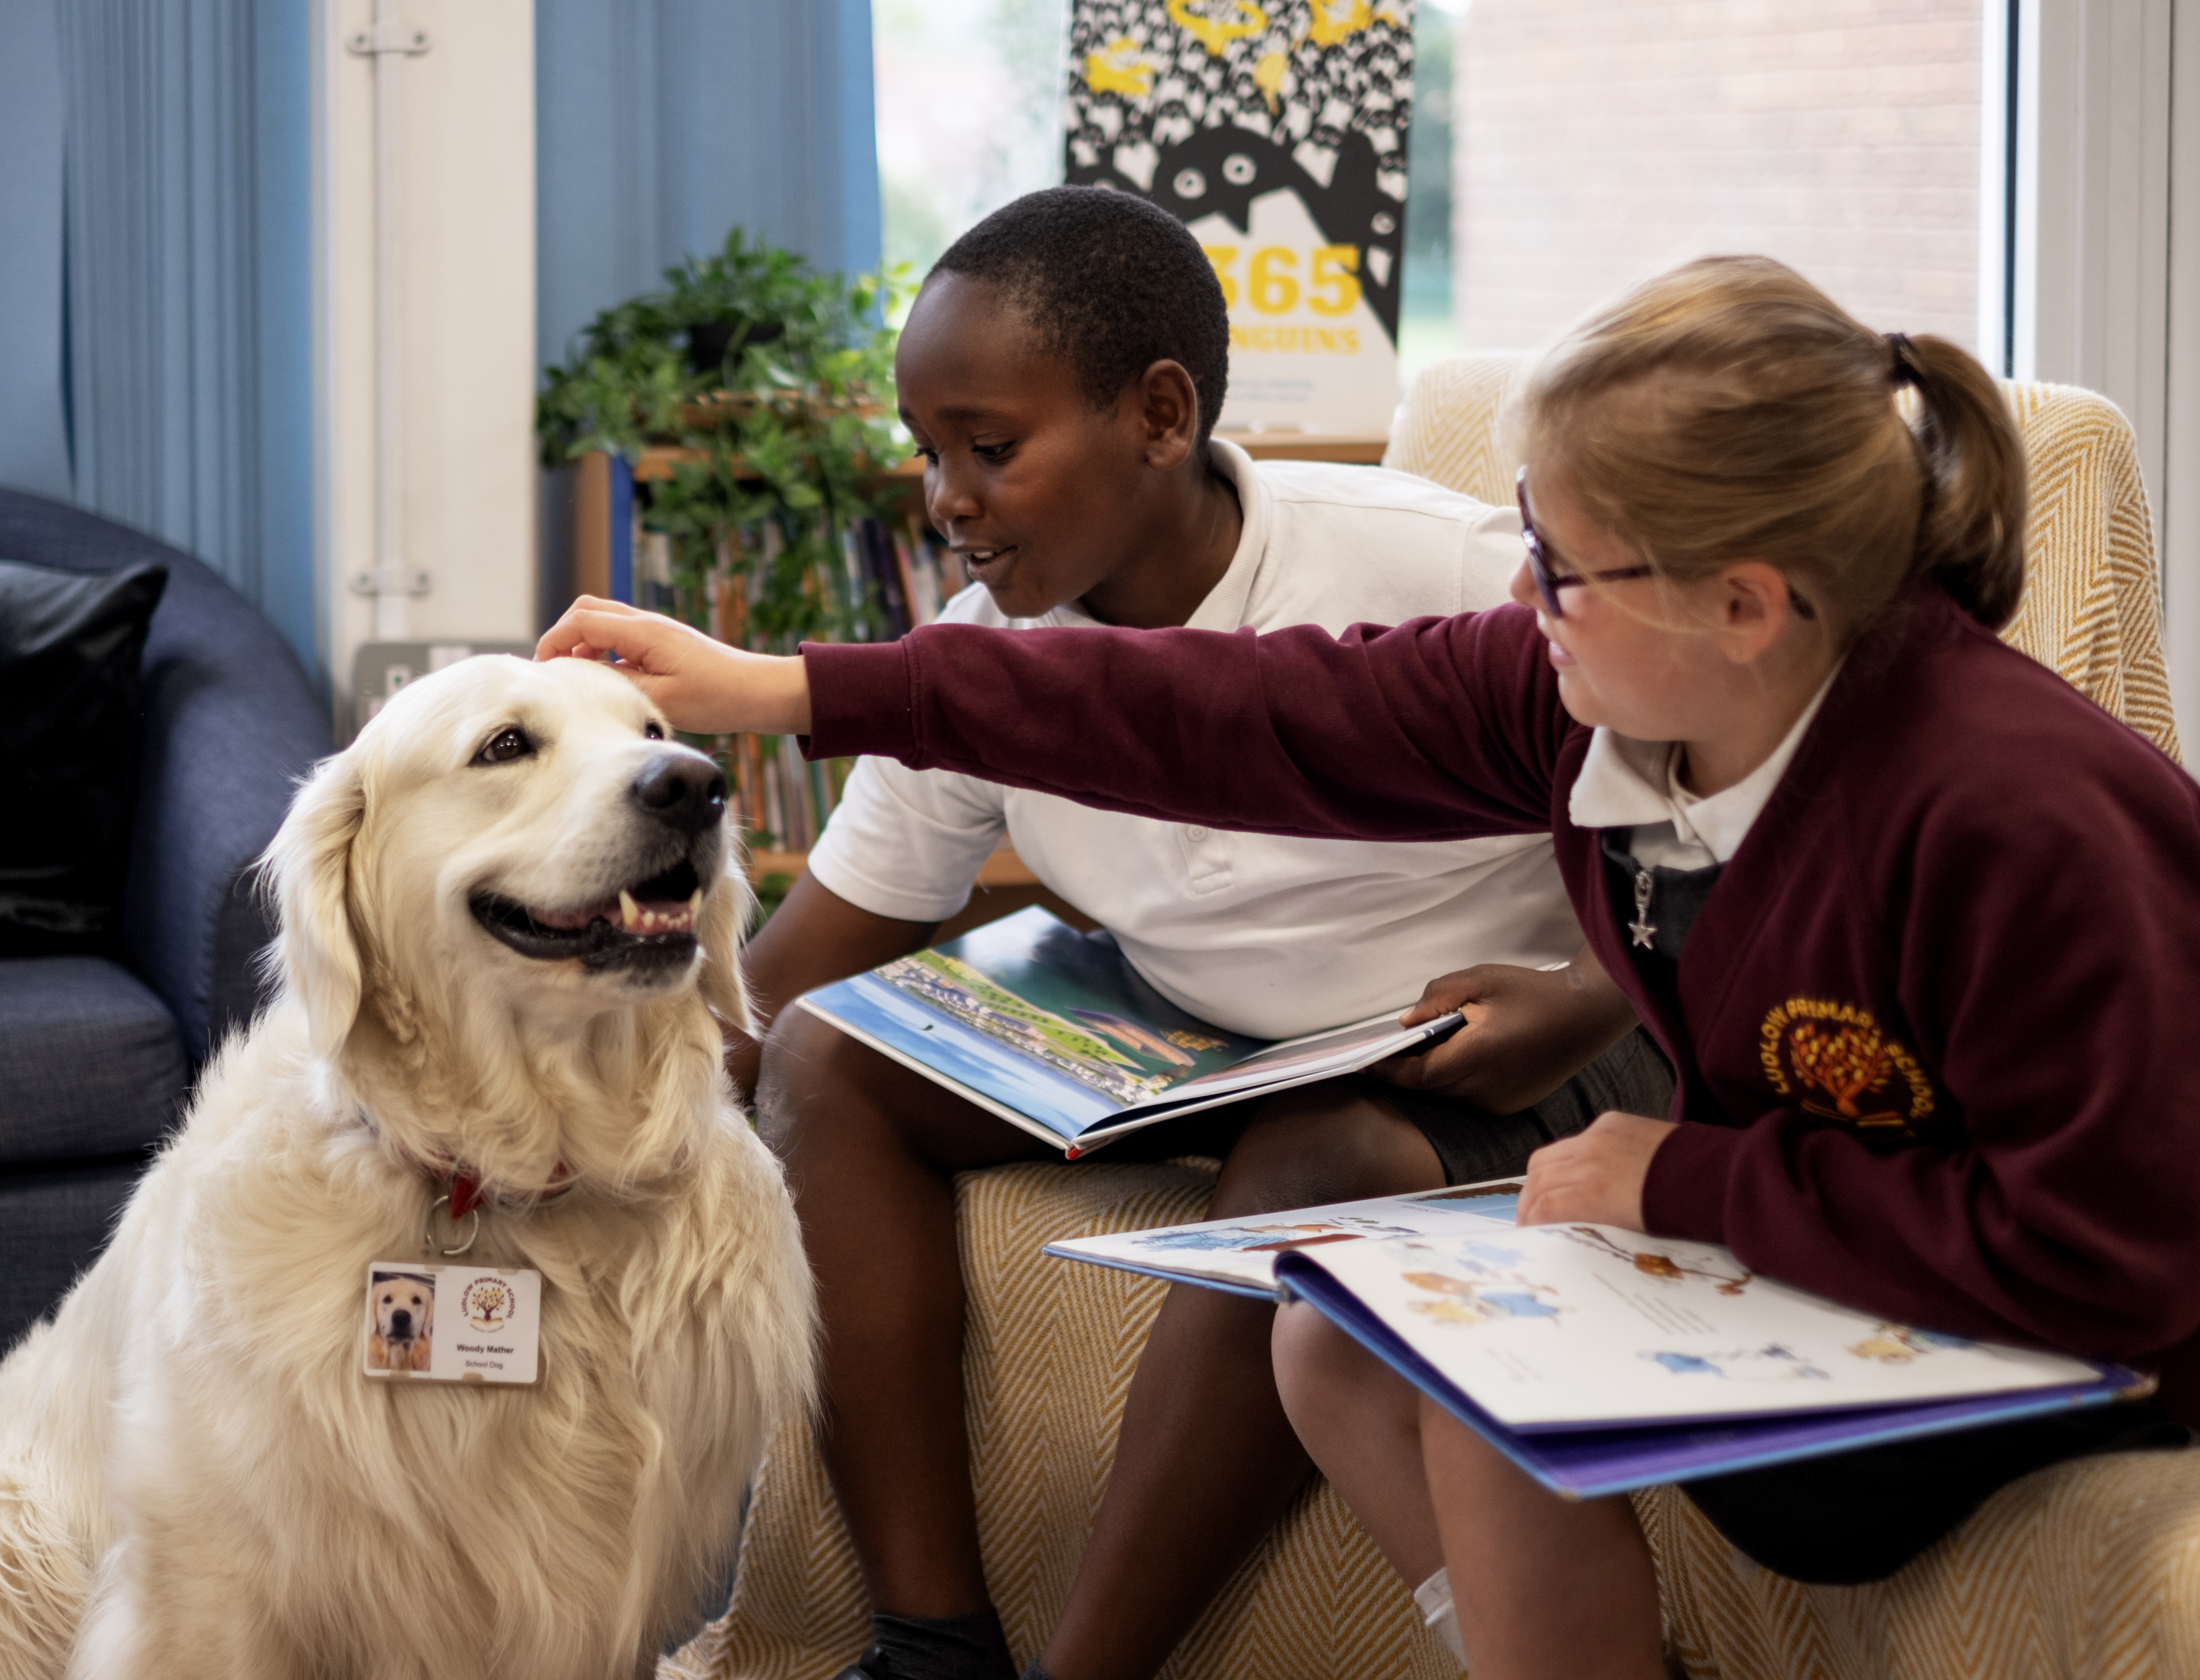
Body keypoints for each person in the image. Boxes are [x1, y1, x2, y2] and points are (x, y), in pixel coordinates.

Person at [541, 253, 2200, 1680]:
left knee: (1455, 1353)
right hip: (1838, 1256)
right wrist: (790, 691)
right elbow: (1227, 710)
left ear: (1746, 605)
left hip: (2061, 1339)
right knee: (1338, 1332)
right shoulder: (1592, 695)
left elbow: (2112, 1256)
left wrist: (1687, 1178)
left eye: (1555, 565)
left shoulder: (2018, 816)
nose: (1521, 596)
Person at [716, 186, 1670, 1680]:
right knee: (826, 1063)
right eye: (927, 454)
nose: (946, 498)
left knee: (1311, 1162)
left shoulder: (1440, 567)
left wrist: (1587, 994)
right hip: (1195, 1035)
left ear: (1159, 413)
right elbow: (777, 989)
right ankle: (928, 1641)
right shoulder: (974, 665)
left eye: (989, 446)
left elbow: (1707, 822)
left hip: (1502, 1051)